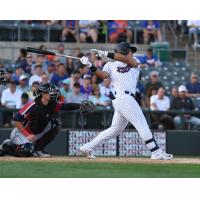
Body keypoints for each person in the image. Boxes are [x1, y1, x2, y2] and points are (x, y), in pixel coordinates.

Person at [79, 42, 173, 160]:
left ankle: (88, 147)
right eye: (129, 51)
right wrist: (89, 65)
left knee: (115, 129)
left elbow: (127, 60)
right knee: (141, 123)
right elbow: (103, 75)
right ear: (123, 51)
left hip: (126, 99)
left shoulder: (135, 61)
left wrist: (105, 53)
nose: (131, 53)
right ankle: (156, 152)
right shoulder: (110, 64)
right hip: (122, 99)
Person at [0, 83, 94, 157]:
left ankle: (38, 150)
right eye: (51, 91)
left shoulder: (52, 104)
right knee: (27, 152)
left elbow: (66, 106)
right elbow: (16, 120)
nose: (54, 93)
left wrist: (80, 106)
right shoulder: (33, 105)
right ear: (44, 94)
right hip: (21, 134)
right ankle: (7, 145)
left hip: (36, 133)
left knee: (55, 124)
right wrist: (27, 135)